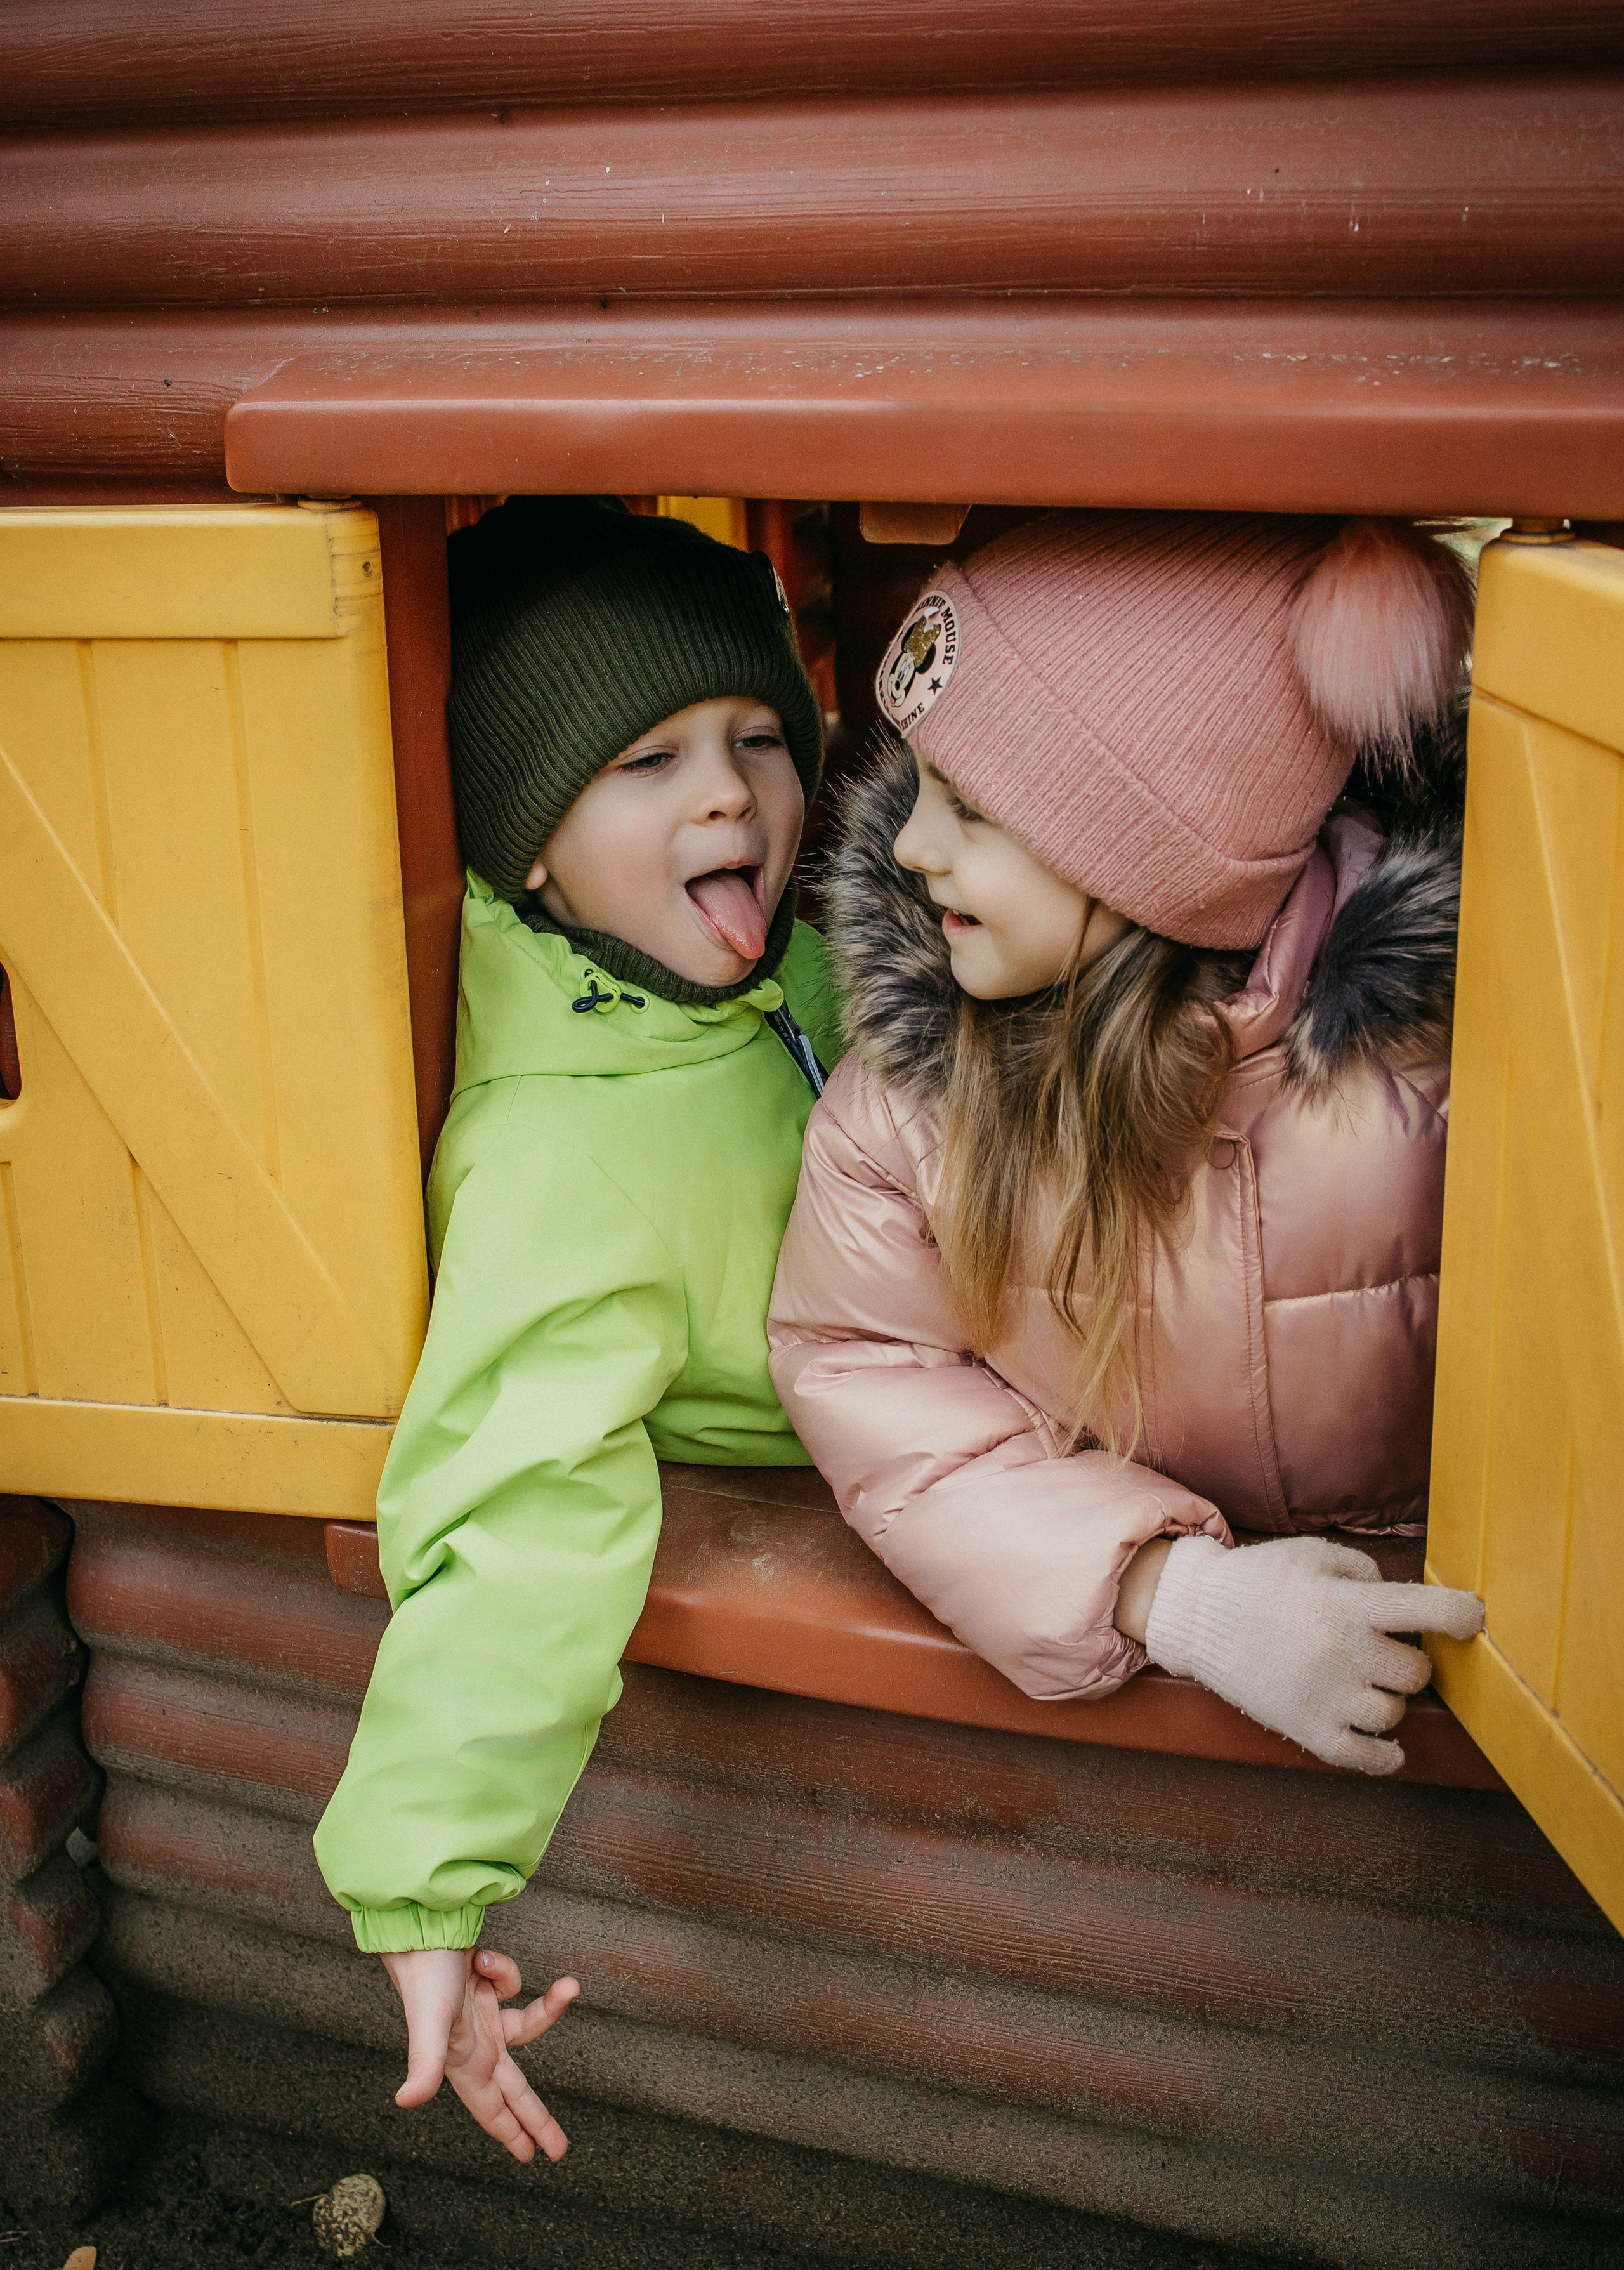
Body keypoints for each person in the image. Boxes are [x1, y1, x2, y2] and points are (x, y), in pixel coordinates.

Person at [768, 509, 1484, 1777]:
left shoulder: (1445, 1055)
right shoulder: (908, 1100)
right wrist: (1174, 1592)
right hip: (1123, 1709)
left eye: (972, 808)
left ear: (1157, 848)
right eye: (922, 786)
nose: (909, 845)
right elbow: (866, 1371)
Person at [315, 497, 840, 2163]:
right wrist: (426, 1891)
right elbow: (515, 1511)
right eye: (648, 761)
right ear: (531, 845)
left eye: (759, 735)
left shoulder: (788, 973)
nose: (726, 789)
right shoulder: (560, 1154)